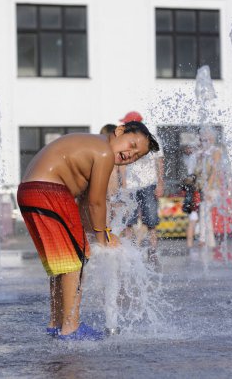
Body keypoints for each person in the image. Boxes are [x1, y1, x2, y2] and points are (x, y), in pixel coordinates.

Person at [17, 121, 159, 341]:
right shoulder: (104, 153)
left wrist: (91, 232)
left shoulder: (94, 145)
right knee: (76, 262)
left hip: (30, 190)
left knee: (62, 263)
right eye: (131, 145)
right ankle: (71, 327)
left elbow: (84, 202)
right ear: (120, 131)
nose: (130, 155)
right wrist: (104, 237)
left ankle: (56, 322)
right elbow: (96, 203)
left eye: (136, 156)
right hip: (50, 190)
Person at [120, 111, 164, 264]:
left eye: (126, 123)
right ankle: (130, 252)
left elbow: (159, 162)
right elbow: (122, 164)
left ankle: (152, 252)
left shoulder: (152, 139)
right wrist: (124, 185)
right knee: (128, 221)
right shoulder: (124, 141)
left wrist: (160, 183)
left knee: (151, 221)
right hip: (131, 186)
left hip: (148, 184)